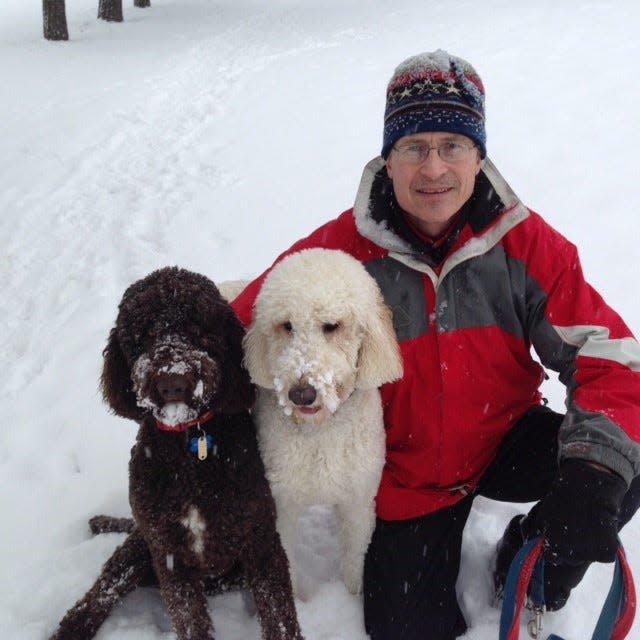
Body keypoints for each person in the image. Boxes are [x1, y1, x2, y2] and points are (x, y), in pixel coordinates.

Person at [231, 49, 640, 639]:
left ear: (479, 156)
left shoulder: (525, 244)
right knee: (409, 630)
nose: (433, 169)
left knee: (620, 464)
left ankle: (533, 564)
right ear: (388, 160)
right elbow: (243, 327)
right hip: (407, 478)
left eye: (452, 145)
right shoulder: (335, 254)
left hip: (502, 436)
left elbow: (609, 356)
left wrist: (594, 470)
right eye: (413, 148)